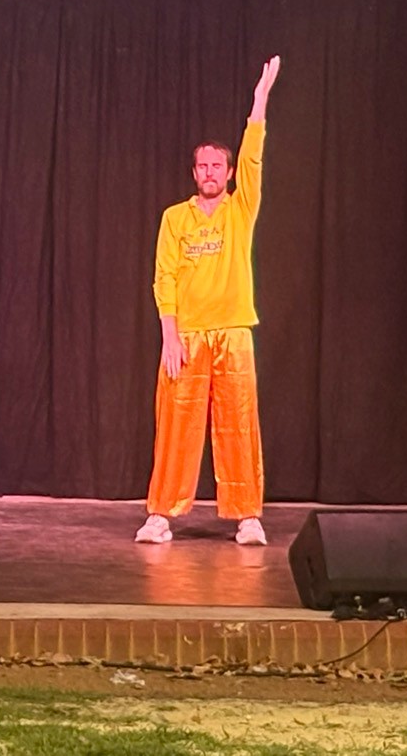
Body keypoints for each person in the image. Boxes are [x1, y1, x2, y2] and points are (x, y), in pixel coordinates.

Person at [136, 56, 280, 547]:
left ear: (229, 171)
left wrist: (259, 103)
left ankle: (248, 516)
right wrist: (169, 336)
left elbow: (255, 158)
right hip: (188, 336)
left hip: (234, 332)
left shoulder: (241, 209)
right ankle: (160, 514)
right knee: (176, 425)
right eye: (203, 166)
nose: (210, 172)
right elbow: (165, 277)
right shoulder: (175, 218)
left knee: (238, 424)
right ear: (194, 172)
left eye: (218, 165)